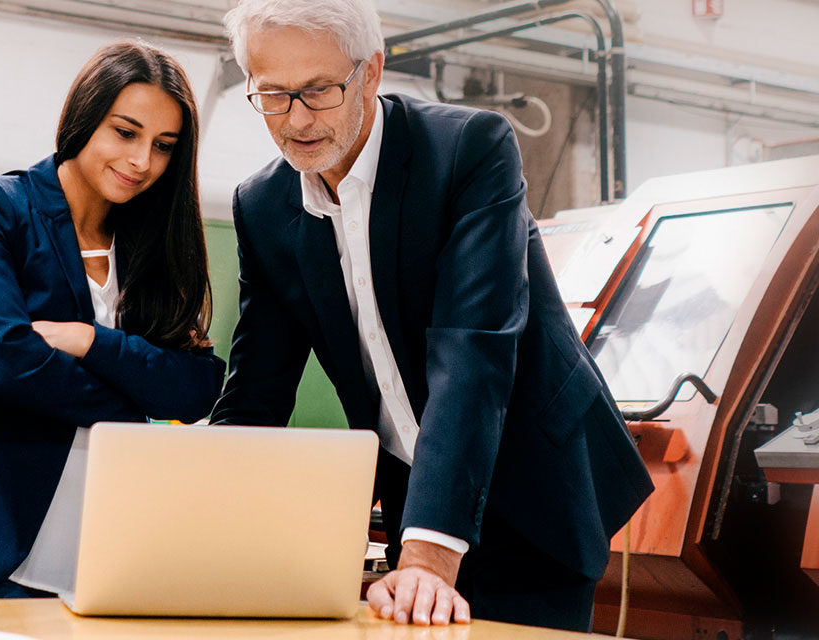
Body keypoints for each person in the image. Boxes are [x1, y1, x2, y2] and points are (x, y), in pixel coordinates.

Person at [211, 0, 654, 631]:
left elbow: (472, 351)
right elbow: (256, 390)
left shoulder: (468, 150)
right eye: (273, 94)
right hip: (415, 497)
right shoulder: (262, 204)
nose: (295, 119)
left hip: (531, 487)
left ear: (371, 73)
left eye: (318, 90)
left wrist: (427, 554)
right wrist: (201, 525)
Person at [0, 41, 225, 599]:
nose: (141, 161)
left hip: (109, 550)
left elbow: (196, 387)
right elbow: (4, 360)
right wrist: (138, 400)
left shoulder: (153, 245)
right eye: (125, 132)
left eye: (163, 146)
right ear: (84, 117)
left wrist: (89, 342)